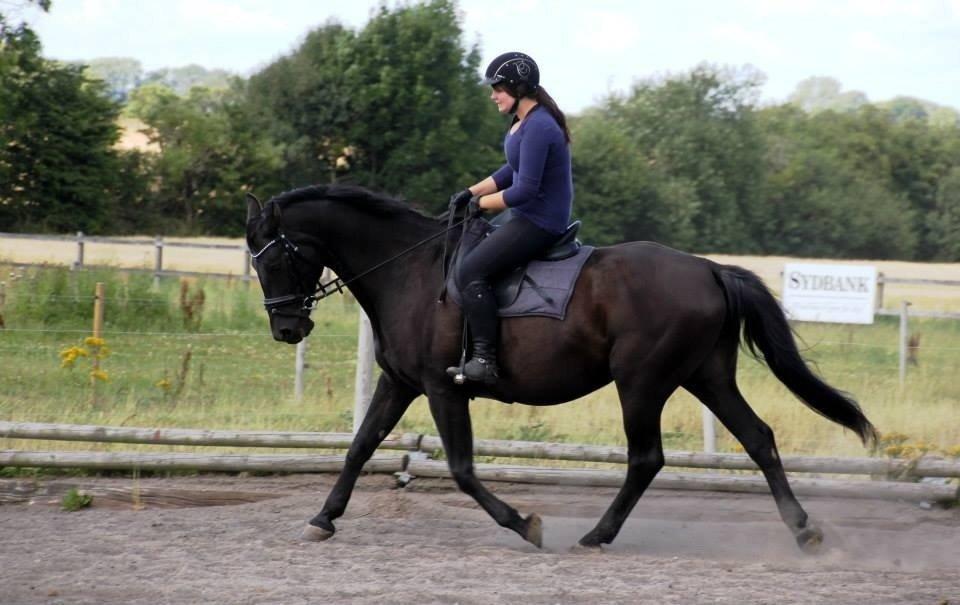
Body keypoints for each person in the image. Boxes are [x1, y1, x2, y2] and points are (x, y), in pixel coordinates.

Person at [446, 51, 574, 385]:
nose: (493, 95)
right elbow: (510, 169)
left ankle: (485, 360)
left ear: (519, 87)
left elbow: (525, 190)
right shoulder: (522, 122)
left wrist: (483, 204)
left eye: (498, 88)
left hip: (540, 221)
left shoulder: (540, 126)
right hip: (526, 216)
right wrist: (470, 193)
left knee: (471, 270)